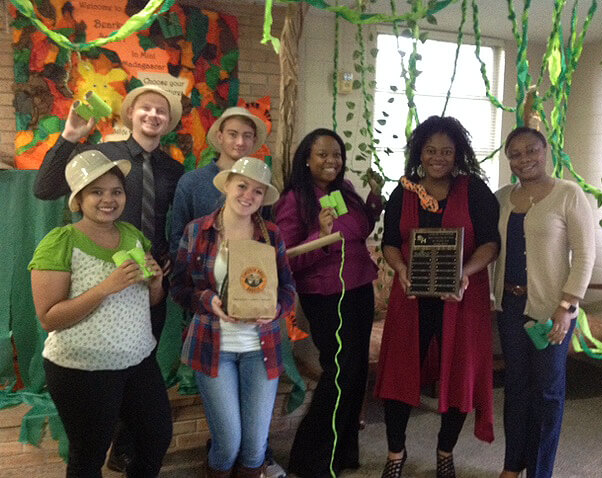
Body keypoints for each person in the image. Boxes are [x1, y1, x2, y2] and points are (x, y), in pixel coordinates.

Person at [33, 84, 183, 470]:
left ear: (168, 122)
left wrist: (158, 275)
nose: (109, 198)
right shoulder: (104, 156)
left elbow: (178, 222)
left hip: (141, 290)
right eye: (145, 107)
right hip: (85, 340)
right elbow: (45, 187)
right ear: (130, 113)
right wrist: (70, 137)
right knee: (92, 434)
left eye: (161, 110)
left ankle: (125, 455)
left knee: (149, 423)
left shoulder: (174, 169)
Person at [374, 116, 500, 478]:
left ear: (458, 153)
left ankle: (446, 452)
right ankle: (395, 454)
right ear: (419, 153)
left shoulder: (475, 190)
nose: (438, 157)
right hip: (411, 299)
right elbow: (391, 243)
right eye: (430, 150)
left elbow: (491, 242)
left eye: (446, 150)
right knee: (399, 376)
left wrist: (464, 274)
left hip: (462, 299)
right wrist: (400, 270)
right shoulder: (404, 190)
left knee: (459, 376)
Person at [170, 158, 296, 478]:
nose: (247, 195)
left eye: (257, 191)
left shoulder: (270, 235)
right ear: (227, 185)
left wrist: (276, 309)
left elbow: (288, 289)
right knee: (227, 444)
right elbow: (179, 288)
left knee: (255, 448)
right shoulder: (197, 230)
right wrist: (206, 299)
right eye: (242, 186)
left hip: (261, 347)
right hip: (214, 347)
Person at [274, 128, 383, 478]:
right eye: (322, 154)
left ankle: (342, 452)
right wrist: (319, 236)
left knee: (355, 372)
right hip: (324, 296)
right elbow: (285, 258)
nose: (331, 161)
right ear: (307, 158)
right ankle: (311, 460)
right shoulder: (293, 200)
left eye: (336, 154)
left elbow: (359, 232)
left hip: (359, 289)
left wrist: (373, 203)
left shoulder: (346, 192)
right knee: (339, 372)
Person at [493, 127, 595, 478]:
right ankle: (512, 465)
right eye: (515, 154)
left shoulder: (569, 194)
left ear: (546, 150)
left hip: (553, 312)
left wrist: (568, 307)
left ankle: (539, 471)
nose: (524, 159)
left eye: (531, 151)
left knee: (548, 391)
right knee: (516, 387)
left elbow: (584, 255)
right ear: (509, 160)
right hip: (510, 308)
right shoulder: (503, 197)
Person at [169, 106, 267, 257]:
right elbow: (177, 237)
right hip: (200, 271)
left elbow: (265, 231)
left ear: (254, 140)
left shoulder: (260, 185)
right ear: (220, 136)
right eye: (233, 134)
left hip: (247, 270)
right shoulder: (191, 182)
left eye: (247, 136)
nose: (240, 142)